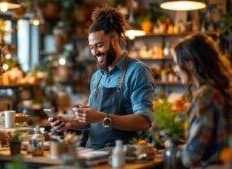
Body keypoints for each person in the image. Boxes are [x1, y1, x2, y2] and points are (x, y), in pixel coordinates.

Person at [49, 6, 155, 149]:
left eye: (99, 45)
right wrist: (69, 122)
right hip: (92, 152)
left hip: (122, 155)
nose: (95, 52)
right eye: (91, 47)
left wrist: (101, 117)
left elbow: (144, 121)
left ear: (115, 40)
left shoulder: (137, 71)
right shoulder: (97, 76)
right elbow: (92, 120)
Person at [172, 33, 232, 168]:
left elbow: (192, 155)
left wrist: (173, 148)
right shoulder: (219, 90)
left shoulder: (206, 95)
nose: (175, 69)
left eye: (176, 64)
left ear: (190, 64)